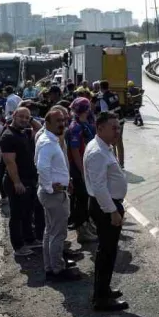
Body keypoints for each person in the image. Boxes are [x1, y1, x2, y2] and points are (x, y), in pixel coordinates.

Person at [84, 111, 128, 311]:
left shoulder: (103, 147)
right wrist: (113, 211)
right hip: (105, 207)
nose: (117, 131)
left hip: (108, 204)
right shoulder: (97, 152)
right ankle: (101, 298)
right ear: (100, 128)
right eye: (114, 128)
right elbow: (99, 187)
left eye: (118, 127)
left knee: (109, 251)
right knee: (106, 252)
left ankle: (104, 289)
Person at [35, 107, 78, 281]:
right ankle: (57, 270)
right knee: (58, 233)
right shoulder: (47, 142)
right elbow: (41, 166)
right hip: (53, 195)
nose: (62, 124)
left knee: (50, 231)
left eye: (63, 120)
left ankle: (51, 266)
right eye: (58, 121)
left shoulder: (49, 139)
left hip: (52, 192)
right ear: (48, 123)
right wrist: (50, 187)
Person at [1, 107, 44, 257]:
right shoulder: (8, 136)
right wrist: (17, 182)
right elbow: (10, 162)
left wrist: (30, 119)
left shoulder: (24, 132)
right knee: (17, 214)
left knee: (27, 212)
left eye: (27, 118)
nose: (25, 120)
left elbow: (40, 128)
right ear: (13, 115)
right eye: (22, 117)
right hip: (17, 181)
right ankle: (18, 246)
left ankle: (30, 240)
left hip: (29, 180)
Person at [66, 98, 97, 243]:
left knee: (87, 198)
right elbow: (74, 151)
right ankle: (81, 230)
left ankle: (87, 225)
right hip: (79, 170)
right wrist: (82, 171)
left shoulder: (85, 124)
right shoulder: (76, 127)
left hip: (87, 167)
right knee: (82, 199)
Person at [95, 81, 124, 168]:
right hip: (120, 119)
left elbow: (104, 112)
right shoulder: (114, 95)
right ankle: (121, 163)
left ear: (100, 88)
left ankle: (114, 163)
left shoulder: (103, 97)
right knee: (119, 141)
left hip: (112, 122)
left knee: (111, 142)